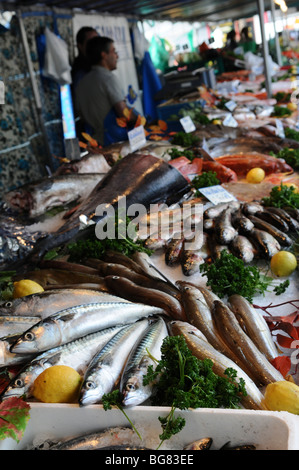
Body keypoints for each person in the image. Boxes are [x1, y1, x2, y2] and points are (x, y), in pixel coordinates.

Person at [75, 36, 137, 146]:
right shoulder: (108, 78)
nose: (116, 56)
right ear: (104, 55)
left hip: (95, 143)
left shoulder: (81, 84)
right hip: (117, 143)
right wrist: (140, 119)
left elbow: (81, 115)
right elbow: (123, 113)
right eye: (113, 51)